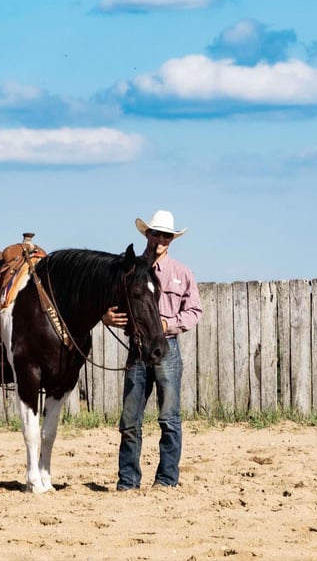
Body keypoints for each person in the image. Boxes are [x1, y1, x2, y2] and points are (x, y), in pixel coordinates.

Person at [102, 209, 202, 491]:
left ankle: (167, 479)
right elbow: (107, 302)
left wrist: (171, 323)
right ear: (147, 234)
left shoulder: (182, 273)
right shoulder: (128, 270)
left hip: (167, 347)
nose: (160, 239)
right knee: (130, 420)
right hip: (137, 348)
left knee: (169, 418)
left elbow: (194, 310)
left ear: (172, 239)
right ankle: (128, 480)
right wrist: (106, 317)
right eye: (156, 233)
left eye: (166, 235)